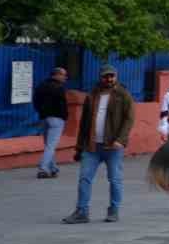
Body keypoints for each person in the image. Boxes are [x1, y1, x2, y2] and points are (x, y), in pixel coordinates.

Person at [61, 66, 135, 224]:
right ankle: (82, 211)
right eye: (105, 77)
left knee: (115, 179)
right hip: (92, 146)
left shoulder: (123, 95)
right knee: (84, 178)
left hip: (113, 146)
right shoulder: (92, 95)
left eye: (112, 76)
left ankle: (113, 210)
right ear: (100, 78)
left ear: (116, 77)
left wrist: (120, 140)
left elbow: (129, 120)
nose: (109, 79)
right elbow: (84, 124)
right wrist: (79, 147)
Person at [33, 66, 69, 179]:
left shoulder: (41, 86)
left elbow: (35, 100)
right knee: (51, 145)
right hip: (57, 119)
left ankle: (53, 168)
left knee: (48, 145)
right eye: (64, 75)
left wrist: (40, 112)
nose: (65, 78)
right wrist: (64, 116)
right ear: (57, 75)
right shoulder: (59, 87)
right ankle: (43, 169)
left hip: (43, 118)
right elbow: (63, 104)